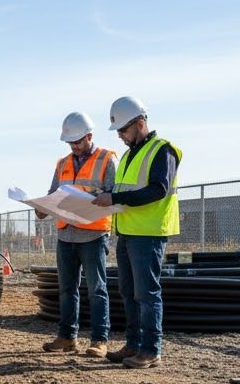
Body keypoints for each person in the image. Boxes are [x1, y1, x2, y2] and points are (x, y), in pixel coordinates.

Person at [93, 96, 182, 369]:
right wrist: (107, 196)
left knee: (146, 293)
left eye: (123, 130)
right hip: (128, 232)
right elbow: (126, 191)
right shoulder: (131, 154)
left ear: (140, 124)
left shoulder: (161, 150)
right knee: (129, 291)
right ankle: (133, 345)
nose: (119, 136)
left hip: (149, 234)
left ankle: (150, 349)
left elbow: (158, 189)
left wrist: (116, 198)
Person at [36, 111, 117, 357]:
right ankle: (67, 336)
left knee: (96, 289)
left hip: (93, 234)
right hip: (66, 235)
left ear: (89, 136)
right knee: (66, 289)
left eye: (78, 142)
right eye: (70, 142)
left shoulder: (107, 159)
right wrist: (42, 209)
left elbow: (115, 194)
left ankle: (99, 340)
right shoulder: (62, 163)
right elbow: (53, 193)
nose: (74, 146)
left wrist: (93, 200)